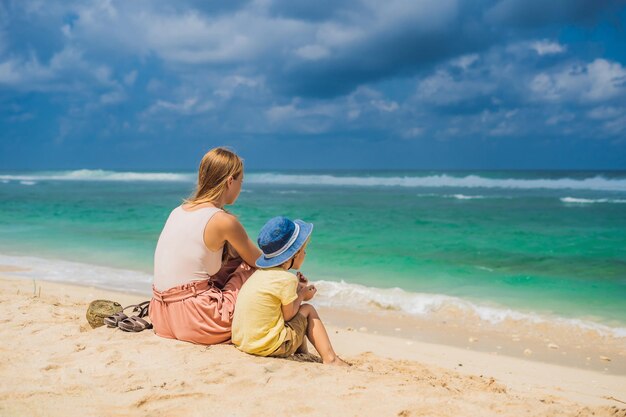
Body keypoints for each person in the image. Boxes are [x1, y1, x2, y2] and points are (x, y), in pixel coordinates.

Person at [149, 147, 261, 344]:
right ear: (229, 182)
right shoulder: (223, 220)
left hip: (160, 316)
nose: (240, 188)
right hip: (199, 321)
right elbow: (260, 261)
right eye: (240, 182)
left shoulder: (177, 211)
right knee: (250, 268)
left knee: (231, 259)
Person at [231, 216, 348, 366]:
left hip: (245, 342)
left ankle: (303, 354)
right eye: (303, 250)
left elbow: (278, 303)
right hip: (267, 346)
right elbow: (289, 315)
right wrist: (303, 295)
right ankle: (331, 359)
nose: (305, 254)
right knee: (307, 309)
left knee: (295, 312)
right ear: (293, 255)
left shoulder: (260, 274)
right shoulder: (286, 279)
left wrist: (298, 289)